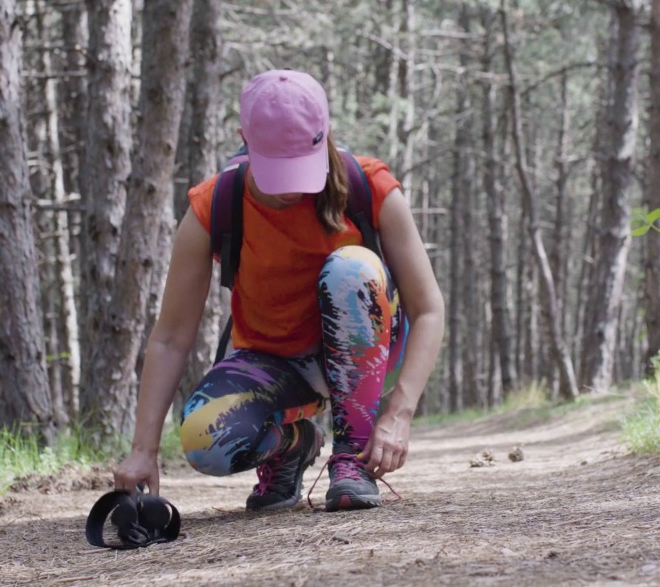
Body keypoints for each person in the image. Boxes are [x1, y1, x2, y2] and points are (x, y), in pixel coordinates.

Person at [113, 69, 445, 512]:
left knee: (353, 267)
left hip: (367, 349)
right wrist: (142, 449)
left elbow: (428, 309)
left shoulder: (371, 187)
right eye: (277, 172)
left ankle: (352, 457)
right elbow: (171, 337)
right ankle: (293, 447)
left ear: (325, 134)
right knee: (205, 440)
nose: (290, 189)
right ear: (243, 139)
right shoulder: (215, 206)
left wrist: (400, 412)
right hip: (276, 363)